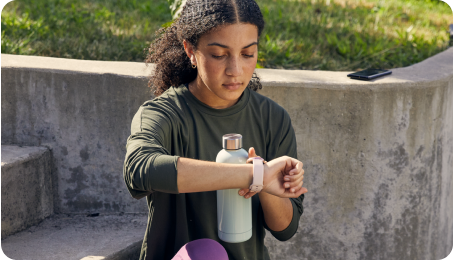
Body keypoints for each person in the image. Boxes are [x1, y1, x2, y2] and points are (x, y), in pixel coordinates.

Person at [123, 0, 308, 259]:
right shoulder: (163, 114)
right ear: (190, 50)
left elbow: (285, 229)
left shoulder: (272, 118)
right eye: (219, 55)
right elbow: (139, 169)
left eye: (247, 54)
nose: (235, 70)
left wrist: (267, 185)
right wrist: (253, 175)